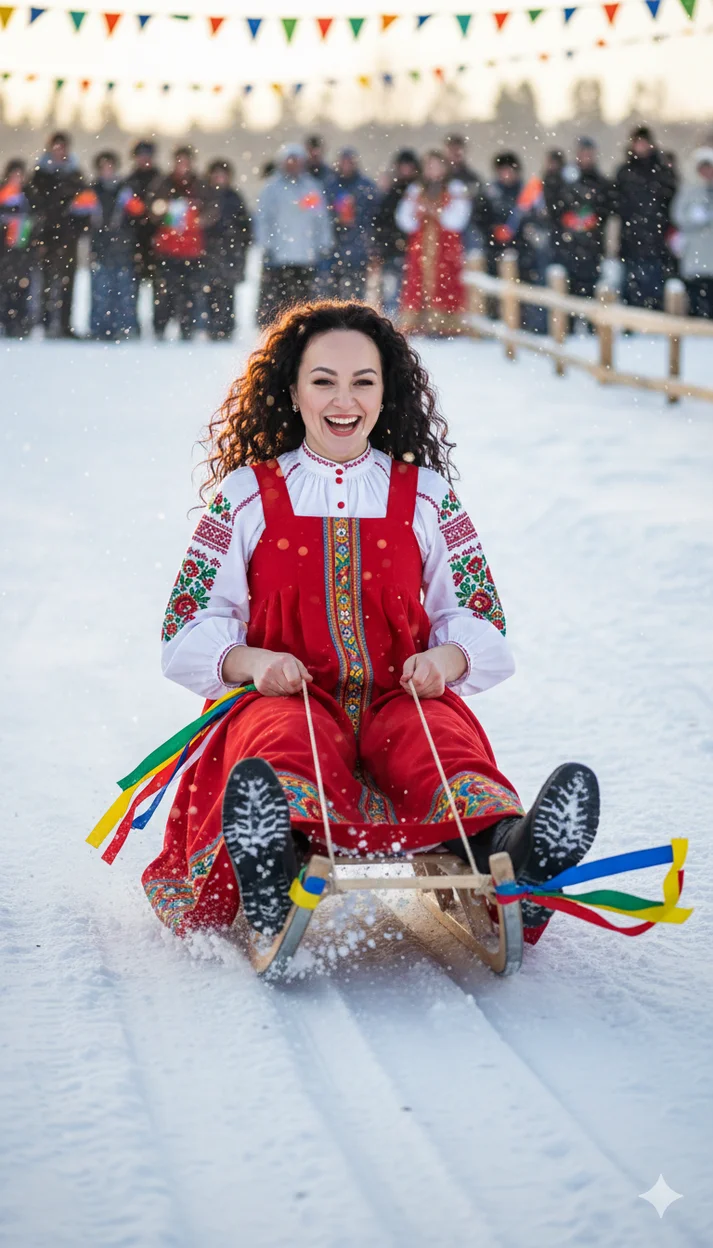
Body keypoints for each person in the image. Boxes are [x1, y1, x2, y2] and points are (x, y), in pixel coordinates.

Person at [147, 301, 600, 945]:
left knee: (438, 746)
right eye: (324, 380)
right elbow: (187, 625)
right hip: (285, 694)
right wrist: (253, 663)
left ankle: (514, 857)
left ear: (387, 392)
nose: (344, 399)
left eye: (363, 381)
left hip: (399, 693)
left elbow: (479, 616)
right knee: (283, 746)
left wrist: (444, 662)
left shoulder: (426, 495)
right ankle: (272, 862)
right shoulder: (246, 494)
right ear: (293, 390)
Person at [255, 144, 332, 328]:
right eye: (289, 161)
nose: (293, 165)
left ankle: (300, 326)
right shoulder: (271, 188)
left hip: (305, 254)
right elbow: (262, 219)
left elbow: (320, 218)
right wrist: (266, 244)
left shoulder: (311, 187)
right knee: (278, 296)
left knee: (302, 297)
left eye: (297, 161)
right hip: (279, 254)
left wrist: (324, 243)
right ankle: (274, 327)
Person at [396, 150, 471, 335]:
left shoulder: (455, 189)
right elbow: (403, 218)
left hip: (446, 246)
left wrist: (437, 213)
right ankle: (417, 323)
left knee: (446, 281)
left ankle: (445, 324)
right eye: (430, 166)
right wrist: (419, 212)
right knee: (417, 281)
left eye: (437, 166)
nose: (433, 170)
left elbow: (459, 219)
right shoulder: (416, 189)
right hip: (421, 244)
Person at [473, 151, 549, 330]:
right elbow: (478, 218)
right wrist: (493, 231)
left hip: (523, 253)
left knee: (523, 294)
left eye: (510, 170)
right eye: (503, 170)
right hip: (496, 252)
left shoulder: (528, 192)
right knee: (495, 294)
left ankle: (524, 328)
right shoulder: (489, 192)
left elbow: (540, 218)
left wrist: (527, 230)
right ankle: (496, 327)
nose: (507, 174)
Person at [611, 125, 677, 310]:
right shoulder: (624, 172)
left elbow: (671, 201)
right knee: (630, 288)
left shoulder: (661, 171)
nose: (641, 146)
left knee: (655, 287)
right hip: (630, 240)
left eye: (644, 143)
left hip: (656, 240)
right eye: (637, 143)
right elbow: (614, 204)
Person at [29, 131, 86, 338]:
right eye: (56, 147)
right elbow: (34, 206)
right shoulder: (40, 175)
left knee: (67, 282)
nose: (59, 151)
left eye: (62, 147)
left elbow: (84, 206)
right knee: (44, 281)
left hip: (68, 236)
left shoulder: (75, 174)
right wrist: (39, 234)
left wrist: (78, 231)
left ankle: (64, 323)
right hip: (45, 235)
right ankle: (44, 323)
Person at [150, 146, 207, 341]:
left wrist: (198, 218)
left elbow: (213, 210)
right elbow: (152, 210)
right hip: (168, 248)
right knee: (164, 293)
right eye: (179, 161)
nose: (182, 166)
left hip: (192, 249)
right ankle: (160, 327)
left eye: (186, 161)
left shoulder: (201, 185)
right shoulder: (163, 183)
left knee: (190, 292)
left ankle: (187, 328)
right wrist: (164, 212)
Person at [88, 151, 141, 341]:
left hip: (122, 249)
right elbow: (78, 215)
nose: (107, 171)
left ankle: (124, 328)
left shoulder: (125, 190)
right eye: (104, 167)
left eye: (110, 167)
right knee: (100, 292)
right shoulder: (91, 191)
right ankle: (99, 329)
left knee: (123, 292)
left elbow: (139, 214)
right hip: (99, 248)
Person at [554, 138, 611, 301]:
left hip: (592, 249)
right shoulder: (565, 179)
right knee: (567, 298)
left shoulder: (601, 181)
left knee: (592, 296)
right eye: (583, 154)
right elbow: (555, 207)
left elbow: (606, 210)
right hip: (569, 247)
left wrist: (593, 219)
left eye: (589, 154)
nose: (586, 158)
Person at [201, 159, 252, 341]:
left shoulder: (235, 197)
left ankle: (227, 327)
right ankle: (212, 326)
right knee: (210, 291)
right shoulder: (204, 196)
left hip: (231, 252)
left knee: (228, 292)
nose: (219, 178)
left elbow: (245, 225)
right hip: (209, 252)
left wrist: (241, 244)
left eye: (223, 175)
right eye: (216, 175)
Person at [324, 147, 378, 301]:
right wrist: (336, 219)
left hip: (358, 247)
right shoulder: (330, 186)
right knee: (333, 294)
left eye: (349, 162)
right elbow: (322, 215)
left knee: (356, 293)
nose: (346, 166)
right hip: (335, 246)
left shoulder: (366, 186)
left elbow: (373, 216)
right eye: (343, 162)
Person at [373, 149, 421, 320]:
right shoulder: (392, 192)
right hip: (392, 250)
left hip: (415, 249)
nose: (406, 170)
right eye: (403, 166)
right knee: (391, 292)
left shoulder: (418, 191)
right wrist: (380, 247)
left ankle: (407, 321)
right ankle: (391, 322)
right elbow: (380, 221)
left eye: (409, 167)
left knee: (410, 291)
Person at [671, 147, 713, 318]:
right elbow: (677, 215)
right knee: (696, 297)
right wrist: (693, 218)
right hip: (695, 255)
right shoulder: (688, 190)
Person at [125, 139, 161, 333]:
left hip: (156, 241)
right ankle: (133, 324)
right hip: (135, 241)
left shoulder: (160, 180)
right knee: (133, 287)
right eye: (141, 155)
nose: (144, 159)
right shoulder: (129, 181)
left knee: (159, 289)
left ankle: (157, 325)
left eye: (148, 155)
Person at [0, 159, 36, 338]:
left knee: (21, 288)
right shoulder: (2, 193)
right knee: (4, 288)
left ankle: (20, 323)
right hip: (4, 250)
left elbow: (37, 219)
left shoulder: (28, 194)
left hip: (22, 250)